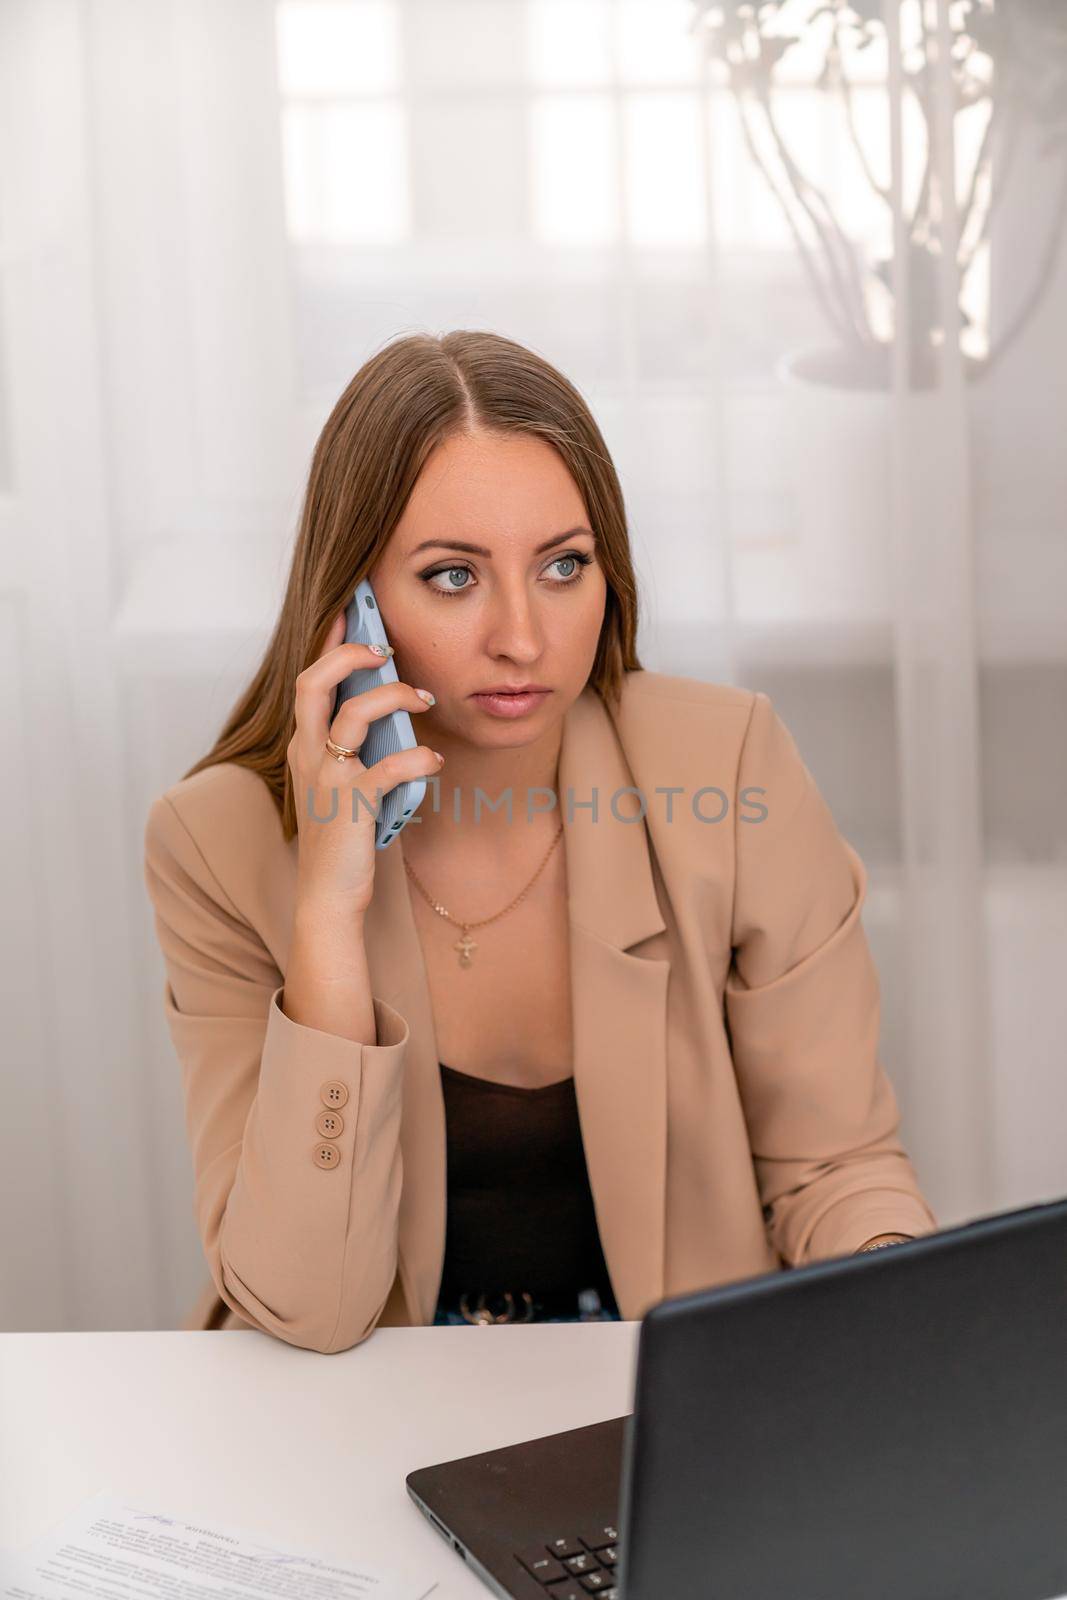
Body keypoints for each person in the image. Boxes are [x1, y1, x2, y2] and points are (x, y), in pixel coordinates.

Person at [143, 329, 936, 1353]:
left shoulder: (727, 764)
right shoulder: (214, 844)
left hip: (665, 1408)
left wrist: (899, 1296)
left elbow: (833, 1169)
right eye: (452, 576)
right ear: (353, 602)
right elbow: (305, 1310)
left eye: (562, 564)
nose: (522, 635)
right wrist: (327, 918)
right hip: (361, 1422)